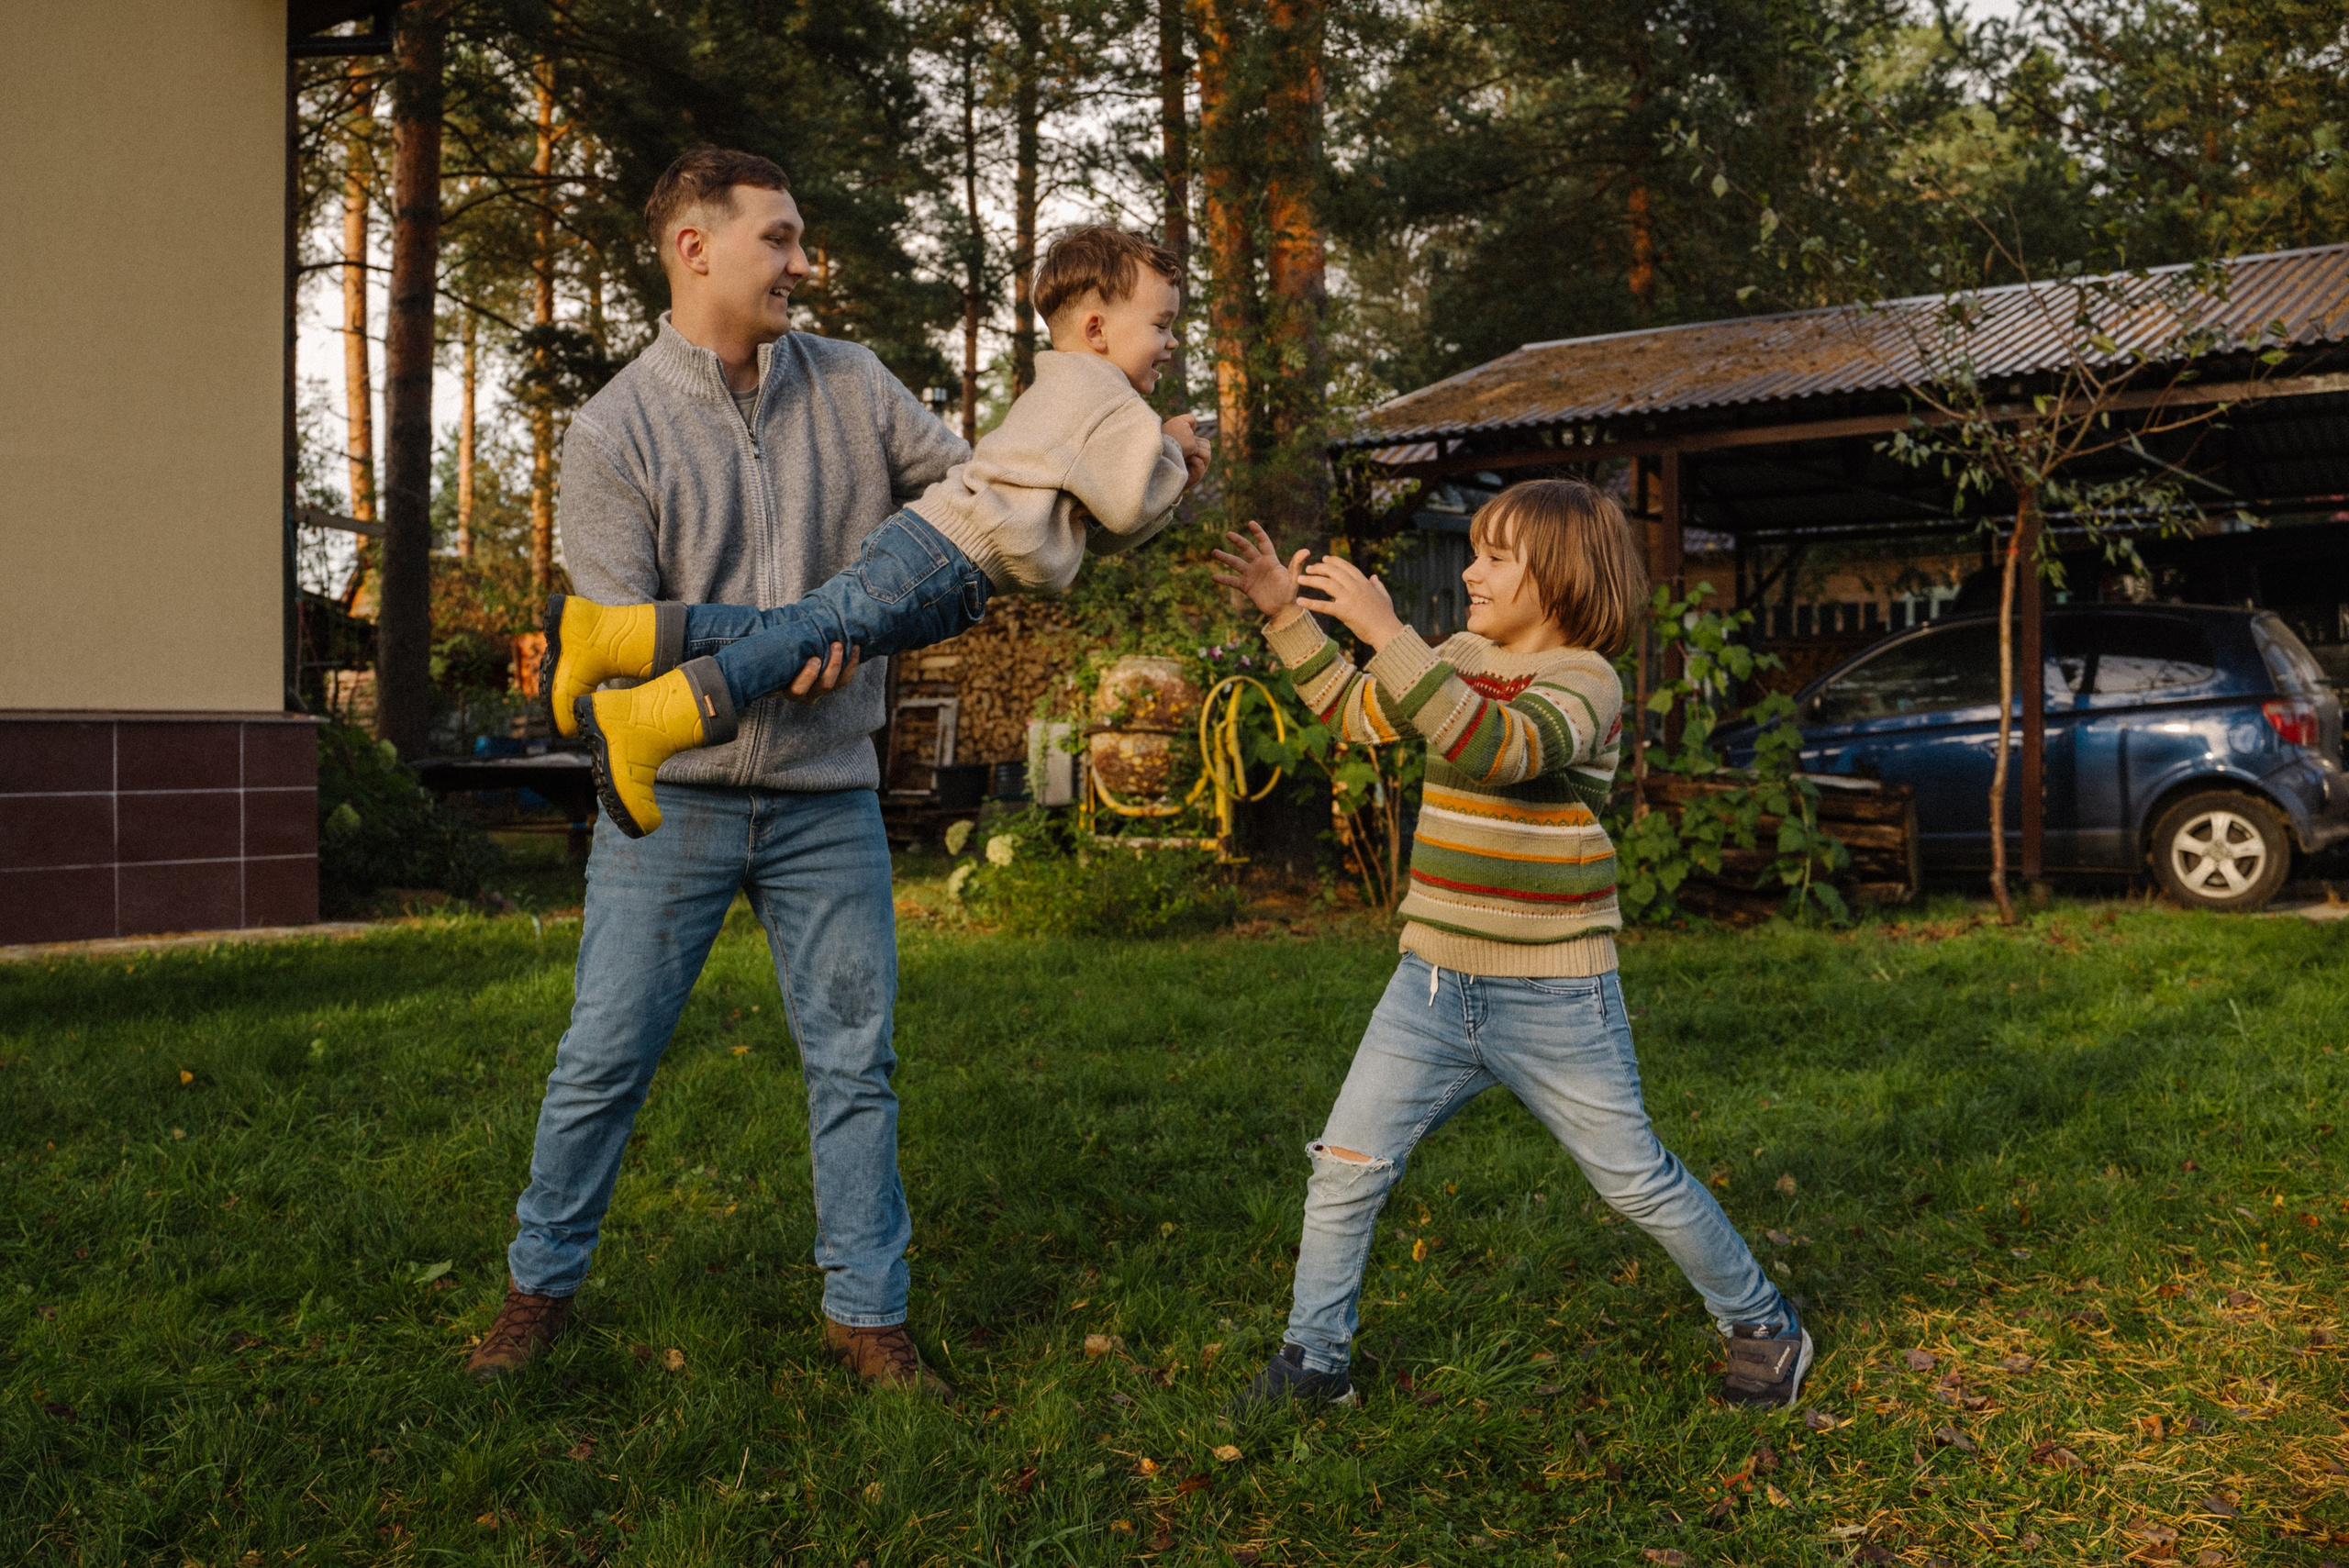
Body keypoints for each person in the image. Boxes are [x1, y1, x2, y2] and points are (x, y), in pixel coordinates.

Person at [466, 148, 967, 1395]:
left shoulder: (854, 382)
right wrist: (807, 633)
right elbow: (622, 644)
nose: (803, 263)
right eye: (779, 239)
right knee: (602, 1056)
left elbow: (971, 509)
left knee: (855, 1061)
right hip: (673, 798)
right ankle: (537, 1289)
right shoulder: (615, 429)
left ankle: (867, 1310)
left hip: (828, 795)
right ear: (695, 246)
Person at [1208, 482, 1815, 1415]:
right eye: (1474, 552)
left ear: (1560, 574)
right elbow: (1356, 712)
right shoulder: (1454, 656)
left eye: (1495, 556)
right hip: (1430, 984)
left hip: (1553, 994)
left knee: (1632, 1178)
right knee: (1345, 1165)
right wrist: (1288, 616)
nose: (1469, 571)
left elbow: (1498, 746)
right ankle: (1315, 1361)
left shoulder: (1587, 681)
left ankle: (1765, 1324)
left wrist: (1387, 632)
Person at [538, 225, 1210, 838]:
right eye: (1161, 325)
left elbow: (1101, 527)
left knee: (799, 627)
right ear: (1097, 329)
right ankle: (646, 722)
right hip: (947, 561)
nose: (1172, 343)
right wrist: (1171, 454)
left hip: (937, 551)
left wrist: (1163, 474)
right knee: (810, 633)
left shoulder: (1072, 386)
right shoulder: (1112, 402)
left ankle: (611, 637)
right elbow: (1126, 509)